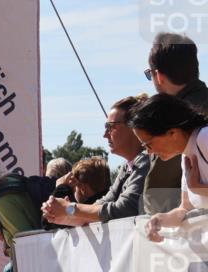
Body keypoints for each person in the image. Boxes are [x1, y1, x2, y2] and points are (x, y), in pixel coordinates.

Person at [43, 95, 152, 226]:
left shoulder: (146, 160)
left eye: (111, 126)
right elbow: (104, 203)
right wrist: (62, 216)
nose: (105, 134)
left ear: (132, 127)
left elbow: (125, 209)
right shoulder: (127, 167)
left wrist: (69, 209)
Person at [128, 95, 208, 241]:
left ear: (173, 133)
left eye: (148, 144)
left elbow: (198, 192)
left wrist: (198, 188)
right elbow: (185, 209)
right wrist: (159, 220)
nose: (149, 152)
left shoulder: (204, 137)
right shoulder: (186, 154)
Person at [142, 33, 206, 215]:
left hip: (186, 230)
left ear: (159, 76)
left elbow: (160, 188)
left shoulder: (175, 119)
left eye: (150, 74)